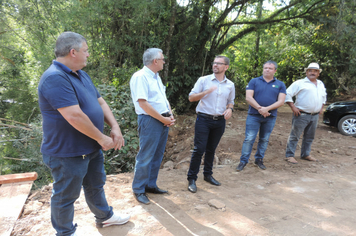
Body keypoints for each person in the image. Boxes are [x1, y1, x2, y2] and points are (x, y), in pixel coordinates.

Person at [38, 32, 130, 236]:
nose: (88, 55)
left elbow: (100, 102)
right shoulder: (54, 78)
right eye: (86, 51)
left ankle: (104, 217)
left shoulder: (80, 74)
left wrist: (115, 127)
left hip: (90, 148)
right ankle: (65, 232)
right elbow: (74, 116)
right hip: (67, 152)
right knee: (65, 195)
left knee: (96, 185)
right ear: (73, 52)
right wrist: (102, 137)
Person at [130, 48, 175, 204]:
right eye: (162, 59)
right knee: (146, 155)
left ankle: (150, 185)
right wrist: (163, 119)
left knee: (157, 154)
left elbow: (163, 98)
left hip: (162, 119)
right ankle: (139, 189)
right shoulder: (140, 77)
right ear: (155, 61)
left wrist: (169, 114)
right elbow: (143, 104)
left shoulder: (156, 77)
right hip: (150, 120)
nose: (164, 61)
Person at [187, 55, 235, 193]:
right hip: (203, 119)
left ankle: (208, 175)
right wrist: (206, 92)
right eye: (214, 63)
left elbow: (231, 101)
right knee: (199, 149)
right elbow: (191, 97)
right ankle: (192, 178)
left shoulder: (230, 85)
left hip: (219, 121)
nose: (215, 65)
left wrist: (230, 109)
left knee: (211, 149)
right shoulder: (203, 80)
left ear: (226, 67)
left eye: (219, 63)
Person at [236, 61, 286, 172]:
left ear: (275, 70)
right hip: (254, 115)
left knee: (264, 139)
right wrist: (260, 109)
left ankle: (259, 160)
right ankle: (243, 161)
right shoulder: (254, 81)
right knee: (249, 139)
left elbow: (281, 101)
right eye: (265, 68)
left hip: (270, 116)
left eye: (270, 68)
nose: (267, 70)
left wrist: (267, 109)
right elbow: (248, 98)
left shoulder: (280, 84)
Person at [285, 62, 326, 164]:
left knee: (309, 136)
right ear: (307, 72)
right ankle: (290, 155)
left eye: (315, 71)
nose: (313, 73)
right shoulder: (299, 83)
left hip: (315, 115)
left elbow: (324, 97)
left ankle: (305, 154)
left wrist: (321, 108)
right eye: (310, 70)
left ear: (318, 73)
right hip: (301, 114)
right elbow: (287, 93)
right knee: (295, 136)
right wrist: (293, 107)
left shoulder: (321, 84)